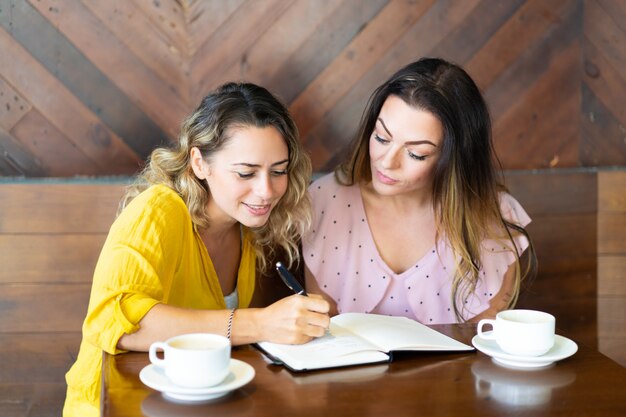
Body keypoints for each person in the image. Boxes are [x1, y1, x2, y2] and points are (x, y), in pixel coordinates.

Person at [64, 82, 330, 416]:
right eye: (246, 172)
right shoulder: (159, 211)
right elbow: (113, 322)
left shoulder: (246, 228)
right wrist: (260, 323)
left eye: (279, 171)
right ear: (200, 163)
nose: (266, 190)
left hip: (192, 403)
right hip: (118, 405)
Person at [303, 57, 537, 324]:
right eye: (381, 137)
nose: (386, 161)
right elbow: (325, 328)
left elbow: (483, 339)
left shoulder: (495, 216)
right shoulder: (325, 201)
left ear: (453, 160)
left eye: (416, 154)